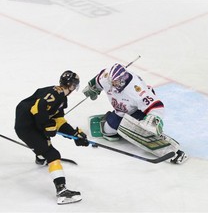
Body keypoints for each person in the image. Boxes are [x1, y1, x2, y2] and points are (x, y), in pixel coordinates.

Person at [82, 63, 188, 164]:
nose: (115, 85)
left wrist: (153, 120)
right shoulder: (106, 77)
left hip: (140, 110)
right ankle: (122, 125)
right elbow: (98, 79)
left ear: (124, 77)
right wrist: (92, 87)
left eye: (118, 82)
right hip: (122, 110)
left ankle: (170, 149)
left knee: (140, 129)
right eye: (113, 82)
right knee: (107, 131)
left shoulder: (136, 90)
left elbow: (157, 107)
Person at [14, 70, 89, 205]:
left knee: (44, 142)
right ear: (72, 85)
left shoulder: (60, 96)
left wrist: (75, 135)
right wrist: (47, 125)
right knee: (53, 154)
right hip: (26, 127)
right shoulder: (56, 94)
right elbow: (38, 107)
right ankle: (62, 191)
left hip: (31, 123)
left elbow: (58, 120)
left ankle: (40, 157)